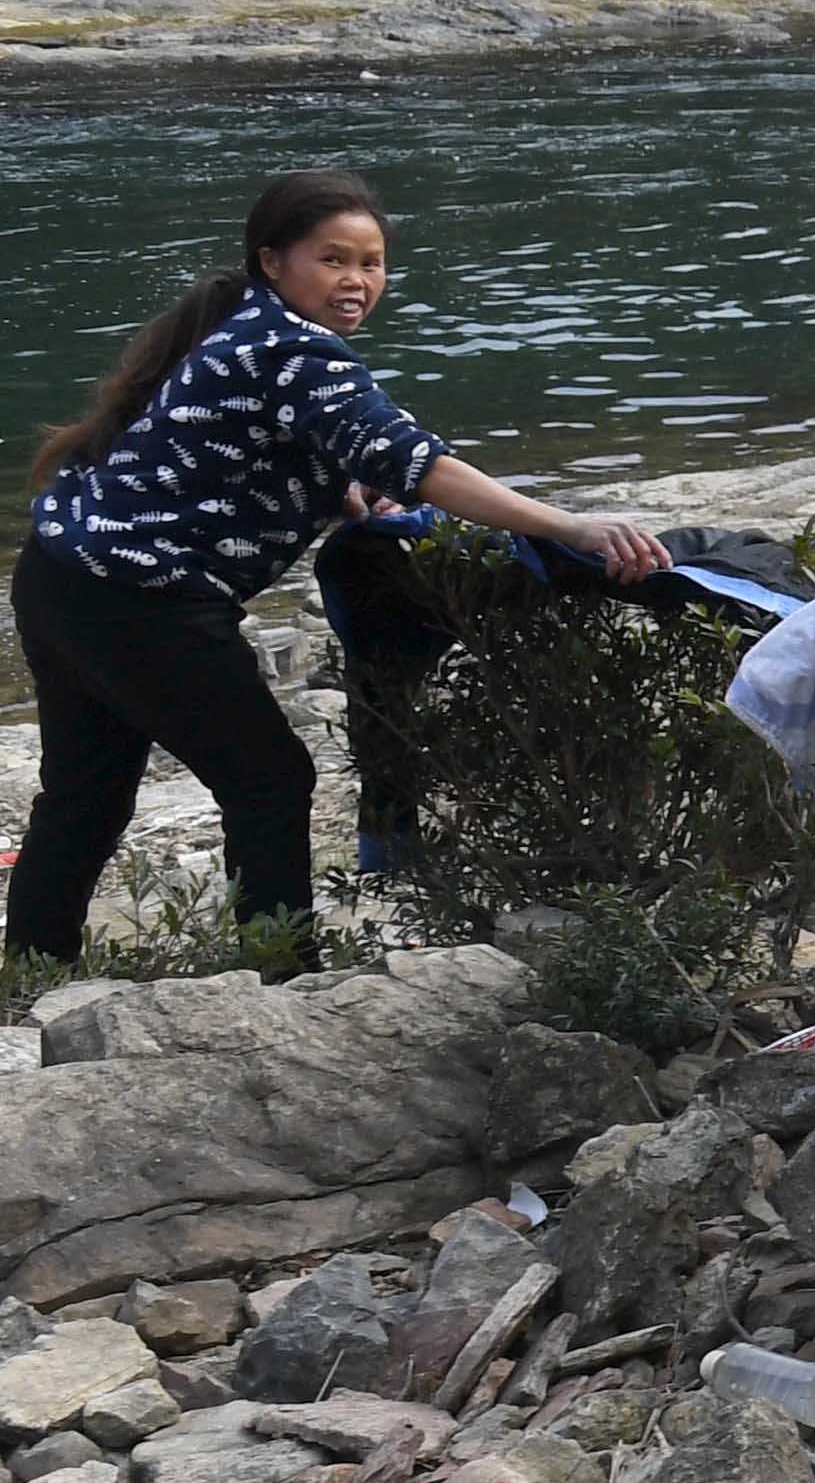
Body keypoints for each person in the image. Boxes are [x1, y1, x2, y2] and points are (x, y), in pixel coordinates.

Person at [13, 170, 667, 965]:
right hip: (140, 597)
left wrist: (342, 486)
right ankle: (281, 974)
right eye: (332, 260)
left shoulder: (251, 331)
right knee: (270, 780)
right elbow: (418, 461)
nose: (356, 281)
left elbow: (276, 447)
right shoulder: (296, 352)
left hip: (60, 576)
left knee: (83, 797)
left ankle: (34, 974)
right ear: (272, 262)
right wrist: (571, 524)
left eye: (372, 262)